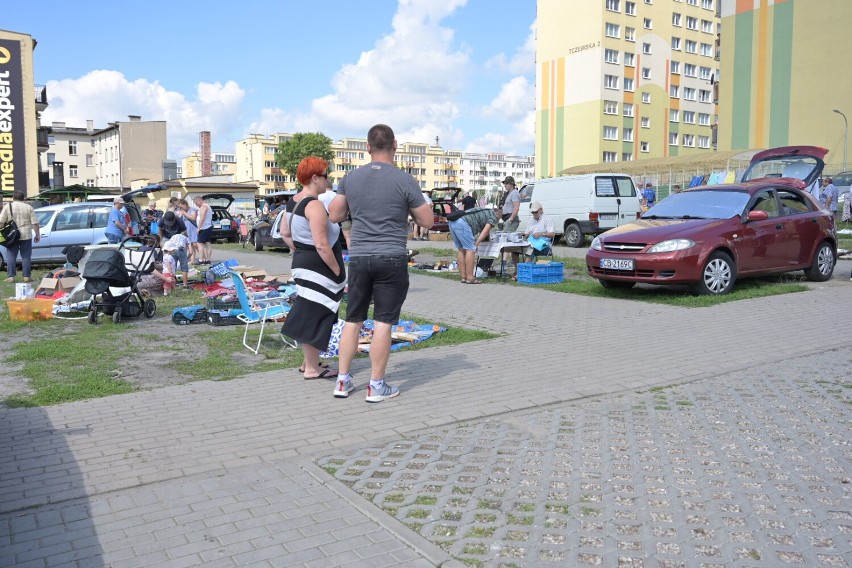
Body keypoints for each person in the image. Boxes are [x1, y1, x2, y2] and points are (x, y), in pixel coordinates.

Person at [329, 124, 433, 403]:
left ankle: (342, 381)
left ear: (367, 147)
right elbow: (427, 221)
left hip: (361, 257)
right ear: (395, 145)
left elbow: (335, 214)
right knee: (384, 323)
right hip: (391, 256)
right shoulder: (405, 180)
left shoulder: (351, 178)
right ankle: (376, 385)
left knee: (352, 319)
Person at [280, 156, 346, 380]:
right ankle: (312, 368)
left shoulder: (294, 201)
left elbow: (285, 233)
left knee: (311, 311)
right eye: (325, 176)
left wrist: (299, 250)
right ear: (315, 177)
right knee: (317, 314)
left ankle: (309, 362)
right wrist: (337, 270)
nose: (328, 181)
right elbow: (322, 244)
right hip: (318, 268)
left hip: (304, 263)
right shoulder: (314, 205)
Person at [448, 205, 497, 284]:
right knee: (470, 249)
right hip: (463, 222)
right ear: (498, 213)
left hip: (452, 222)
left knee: (461, 248)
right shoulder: (493, 215)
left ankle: (464, 276)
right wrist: (477, 243)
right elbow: (486, 230)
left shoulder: (483, 210)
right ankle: (470, 278)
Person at [0, 190, 40, 283]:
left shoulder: (7, 207)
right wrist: (37, 234)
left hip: (12, 235)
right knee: (26, 256)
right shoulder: (29, 207)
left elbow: (1, 222)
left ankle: (11, 277)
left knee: (11, 255)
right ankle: (26, 276)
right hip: (26, 234)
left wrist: (3, 232)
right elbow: (35, 223)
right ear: (23, 198)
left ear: (13, 198)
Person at [499, 176, 522, 276]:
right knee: (508, 244)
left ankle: (503, 267)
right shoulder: (508, 193)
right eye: (504, 183)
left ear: (512, 184)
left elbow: (516, 208)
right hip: (506, 219)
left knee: (506, 243)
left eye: (507, 183)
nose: (505, 185)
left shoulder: (515, 193)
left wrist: (510, 219)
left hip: (511, 219)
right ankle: (508, 268)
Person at [176, 198, 199, 264]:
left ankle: (203, 258)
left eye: (181, 206)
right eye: (179, 207)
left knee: (196, 244)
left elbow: (193, 218)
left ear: (185, 204)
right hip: (187, 230)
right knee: (190, 245)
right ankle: (192, 260)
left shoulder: (192, 209)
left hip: (193, 229)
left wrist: (185, 213)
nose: (180, 208)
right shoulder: (182, 212)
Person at [194, 195, 213, 265]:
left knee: (199, 243)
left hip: (204, 228)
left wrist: (198, 228)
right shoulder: (207, 206)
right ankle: (208, 259)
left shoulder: (204, 207)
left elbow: (202, 218)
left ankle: (201, 260)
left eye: (196, 203)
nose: (197, 205)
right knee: (208, 243)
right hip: (208, 227)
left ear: (199, 200)